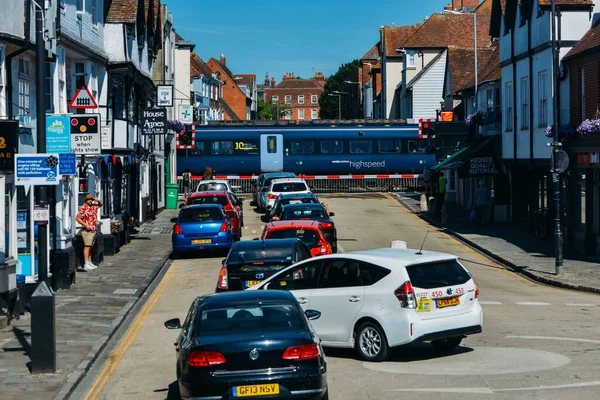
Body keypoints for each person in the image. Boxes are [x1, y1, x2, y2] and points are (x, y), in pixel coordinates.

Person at [76, 194, 103, 271]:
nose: (90, 201)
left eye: (91, 199)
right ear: (86, 200)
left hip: (93, 229)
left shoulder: (93, 206)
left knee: (91, 246)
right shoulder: (83, 208)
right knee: (87, 246)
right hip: (86, 230)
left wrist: (98, 200)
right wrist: (85, 225)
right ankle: (86, 263)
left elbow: (100, 205)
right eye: (89, 199)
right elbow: (77, 218)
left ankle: (89, 261)